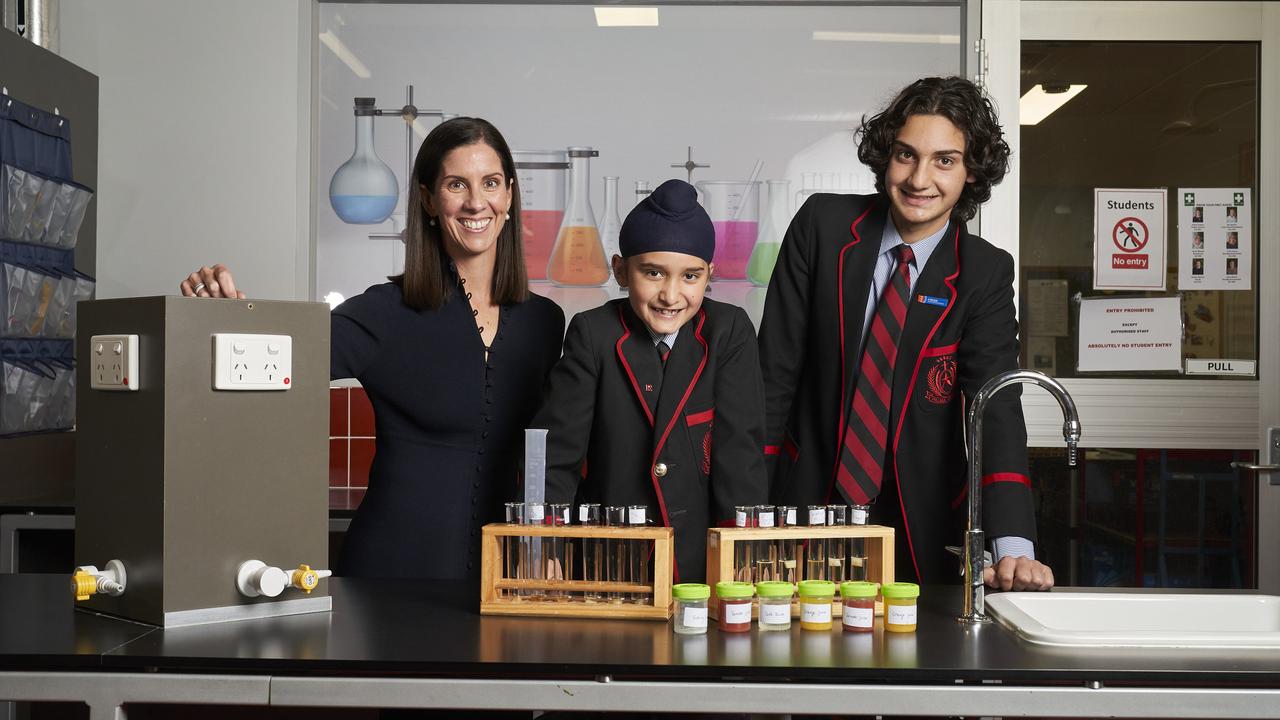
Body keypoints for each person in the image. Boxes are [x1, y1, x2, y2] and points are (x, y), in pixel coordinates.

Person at [180, 117, 565, 580]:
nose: (476, 202)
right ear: (428, 199)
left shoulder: (545, 322)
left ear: (508, 196)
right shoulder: (384, 312)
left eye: (491, 183)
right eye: (456, 184)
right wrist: (222, 317)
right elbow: (278, 360)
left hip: (502, 582)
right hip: (387, 579)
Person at [758, 77, 1053, 591]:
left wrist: (1014, 546)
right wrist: (748, 510)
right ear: (884, 156)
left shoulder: (983, 272)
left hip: (920, 521)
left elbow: (995, 409)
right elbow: (773, 377)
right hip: (805, 502)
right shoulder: (822, 228)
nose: (920, 178)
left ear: (971, 173)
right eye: (905, 154)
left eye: (945, 160)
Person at [532, 179, 769, 582]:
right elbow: (557, 455)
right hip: (608, 557)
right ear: (621, 271)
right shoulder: (593, 333)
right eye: (654, 273)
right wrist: (543, 543)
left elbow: (740, 458)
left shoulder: (730, 331)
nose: (671, 295)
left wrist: (741, 554)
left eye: (690, 277)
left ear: (709, 274)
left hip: (696, 560)